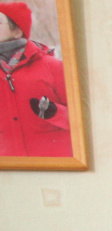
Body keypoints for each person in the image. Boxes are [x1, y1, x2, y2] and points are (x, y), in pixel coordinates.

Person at [0, 2, 71, 158]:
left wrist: (54, 112)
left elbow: (85, 119)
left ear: (17, 31)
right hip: (9, 166)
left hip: (54, 163)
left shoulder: (53, 67)